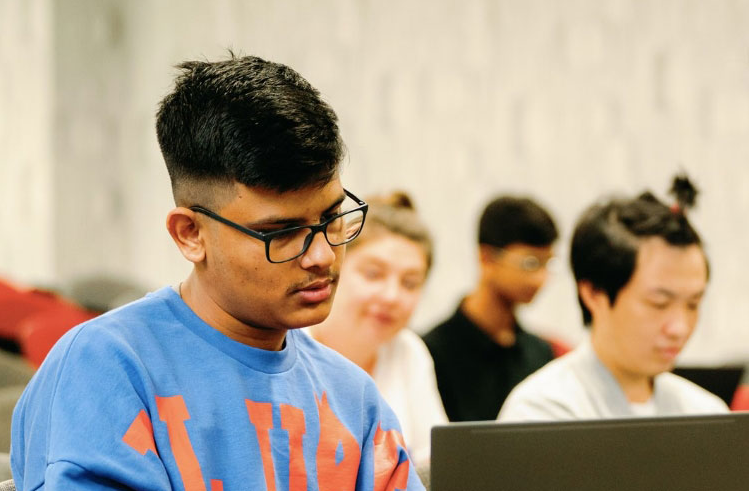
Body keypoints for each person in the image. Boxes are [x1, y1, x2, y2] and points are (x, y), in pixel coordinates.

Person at [11, 56, 423, 491]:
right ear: (190, 234)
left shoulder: (351, 395)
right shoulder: (107, 368)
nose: (321, 255)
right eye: (282, 232)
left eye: (332, 217)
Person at [498, 175, 727, 421]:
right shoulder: (543, 412)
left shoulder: (706, 412)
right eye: (659, 303)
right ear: (594, 294)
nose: (679, 328)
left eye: (693, 304)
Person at [308, 192, 447, 475]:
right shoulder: (290, 346)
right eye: (373, 274)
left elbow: (437, 464)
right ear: (335, 269)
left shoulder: (409, 351)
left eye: (410, 283)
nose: (391, 296)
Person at [422, 195, 559, 422]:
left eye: (548, 263)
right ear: (486, 258)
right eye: (531, 263)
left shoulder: (541, 353)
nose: (541, 279)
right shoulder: (431, 352)